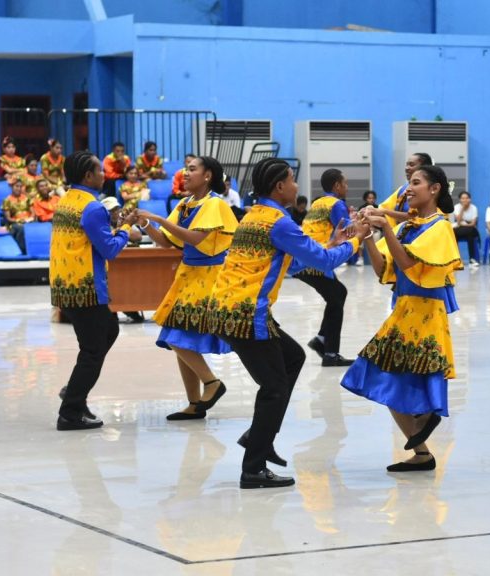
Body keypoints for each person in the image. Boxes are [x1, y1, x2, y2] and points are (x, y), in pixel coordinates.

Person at [204, 157, 364, 489]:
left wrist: (332, 242)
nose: (295, 185)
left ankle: (260, 435)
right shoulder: (279, 222)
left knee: (294, 357)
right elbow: (323, 263)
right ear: (279, 187)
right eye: (292, 180)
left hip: (227, 308)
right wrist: (356, 240)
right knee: (274, 388)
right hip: (246, 313)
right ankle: (253, 467)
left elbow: (289, 266)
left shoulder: (255, 217)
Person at [341, 164, 460, 472]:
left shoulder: (439, 226)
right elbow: (384, 269)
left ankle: (425, 423)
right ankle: (422, 452)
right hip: (404, 309)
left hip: (426, 313)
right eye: (408, 182)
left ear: (434, 189)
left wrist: (387, 228)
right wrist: (368, 236)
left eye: (416, 182)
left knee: (403, 378)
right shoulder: (410, 226)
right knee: (384, 378)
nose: (408, 188)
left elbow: (407, 264)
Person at [134, 156, 239, 420]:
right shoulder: (184, 204)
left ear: (207, 176)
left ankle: (212, 383)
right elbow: (167, 242)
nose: (186, 174)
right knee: (181, 339)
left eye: (192, 170)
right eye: (185, 170)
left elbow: (195, 237)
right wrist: (145, 223)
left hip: (209, 276)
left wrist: (158, 217)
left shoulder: (215, 203)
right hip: (188, 275)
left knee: (174, 336)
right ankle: (195, 403)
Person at [50, 150, 137, 431]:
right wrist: (125, 228)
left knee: (108, 330)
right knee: (93, 349)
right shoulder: (93, 207)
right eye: (100, 170)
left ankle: (75, 390)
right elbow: (110, 250)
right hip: (86, 286)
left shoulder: (66, 200)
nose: (104, 174)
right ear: (88, 175)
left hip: (65, 284)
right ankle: (70, 410)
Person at [289, 169, 358, 367]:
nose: (346, 187)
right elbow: (348, 232)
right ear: (337, 186)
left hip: (305, 255)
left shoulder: (319, 202)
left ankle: (321, 341)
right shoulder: (337, 204)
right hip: (315, 258)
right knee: (337, 295)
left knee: (337, 294)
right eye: (344, 183)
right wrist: (362, 222)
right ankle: (330, 353)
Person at [379, 153, 432, 228]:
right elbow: (384, 208)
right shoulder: (403, 189)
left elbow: (415, 218)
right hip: (401, 234)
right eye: (406, 165)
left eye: (411, 165)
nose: (407, 168)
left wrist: (384, 212)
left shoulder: (427, 190)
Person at [2, 180, 34, 252]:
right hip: (14, 223)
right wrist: (18, 220)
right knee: (21, 228)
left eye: (20, 187)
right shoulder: (7, 200)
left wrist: (30, 219)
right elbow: (8, 218)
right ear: (12, 187)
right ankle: (22, 250)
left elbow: (33, 213)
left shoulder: (27, 198)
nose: (18, 188)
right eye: (16, 186)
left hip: (28, 221)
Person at [451, 190, 481, 266]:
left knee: (470, 233)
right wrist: (462, 209)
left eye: (467, 198)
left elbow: (473, 224)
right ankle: (457, 259)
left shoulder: (474, 208)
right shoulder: (456, 207)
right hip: (460, 230)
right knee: (453, 234)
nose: (465, 200)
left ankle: (472, 259)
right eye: (462, 198)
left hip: (470, 230)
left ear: (470, 199)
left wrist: (463, 224)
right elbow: (458, 221)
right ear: (460, 199)